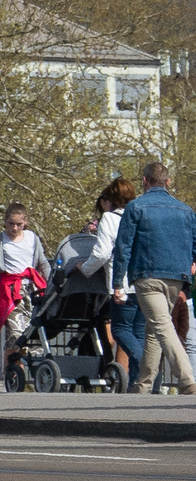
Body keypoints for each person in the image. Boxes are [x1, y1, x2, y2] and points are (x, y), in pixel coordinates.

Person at [110, 160, 196, 393]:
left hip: (147, 276)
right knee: (154, 329)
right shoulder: (186, 210)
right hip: (176, 277)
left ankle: (187, 379)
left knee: (161, 325)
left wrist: (118, 282)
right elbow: (194, 246)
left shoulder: (136, 207)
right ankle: (143, 385)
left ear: (144, 181)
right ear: (168, 182)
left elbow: (123, 246)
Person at [0, 202, 51, 381]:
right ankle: (8, 374)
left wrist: (51, 284)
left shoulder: (32, 238)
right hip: (10, 291)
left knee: (31, 335)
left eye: (18, 225)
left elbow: (42, 263)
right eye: (10, 224)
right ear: (5, 222)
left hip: (31, 290)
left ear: (25, 223)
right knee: (14, 335)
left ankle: (24, 375)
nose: (14, 228)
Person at [85, 176, 138, 378]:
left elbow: (102, 252)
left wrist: (85, 268)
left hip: (121, 284)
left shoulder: (109, 218)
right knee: (138, 334)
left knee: (120, 330)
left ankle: (137, 368)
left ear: (109, 200)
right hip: (141, 282)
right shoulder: (137, 217)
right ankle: (138, 379)